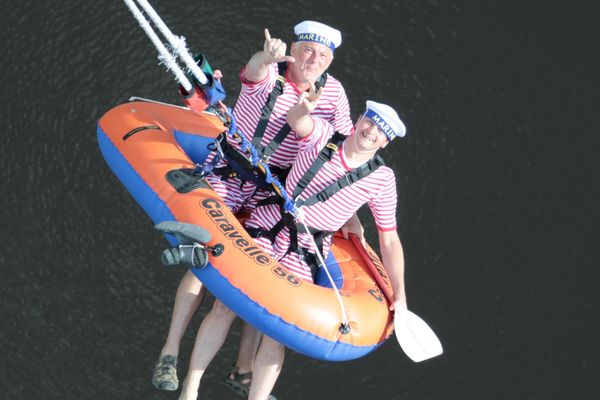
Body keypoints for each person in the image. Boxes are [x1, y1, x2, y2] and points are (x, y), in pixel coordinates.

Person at [153, 21, 356, 398]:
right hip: (230, 173)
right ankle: (170, 351)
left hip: (273, 190)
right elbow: (254, 72)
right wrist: (265, 57)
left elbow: (340, 153)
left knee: (266, 273)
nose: (314, 59)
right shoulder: (270, 71)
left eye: (323, 55)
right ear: (295, 48)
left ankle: (243, 369)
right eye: (309, 50)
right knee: (207, 260)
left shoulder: (335, 95)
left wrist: (351, 215)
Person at [244, 92, 409, 400]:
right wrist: (303, 108)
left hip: (307, 245)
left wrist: (400, 294)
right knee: (236, 289)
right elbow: (298, 122)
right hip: (271, 223)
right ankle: (207, 381)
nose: (371, 132)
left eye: (380, 132)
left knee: (281, 328)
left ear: (385, 143)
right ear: (359, 120)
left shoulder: (382, 179)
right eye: (370, 123)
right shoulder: (323, 134)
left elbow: (389, 238)